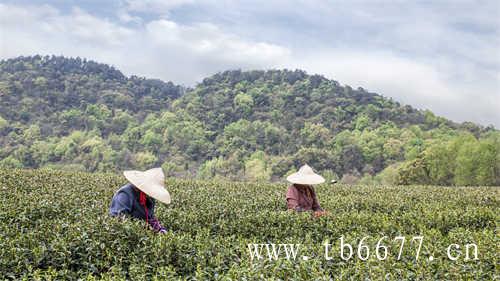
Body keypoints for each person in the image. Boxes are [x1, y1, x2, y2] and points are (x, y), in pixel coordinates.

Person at [109, 167, 171, 233]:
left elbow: (150, 218)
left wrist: (160, 229)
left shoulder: (149, 198)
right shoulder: (125, 194)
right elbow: (117, 220)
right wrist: (138, 230)